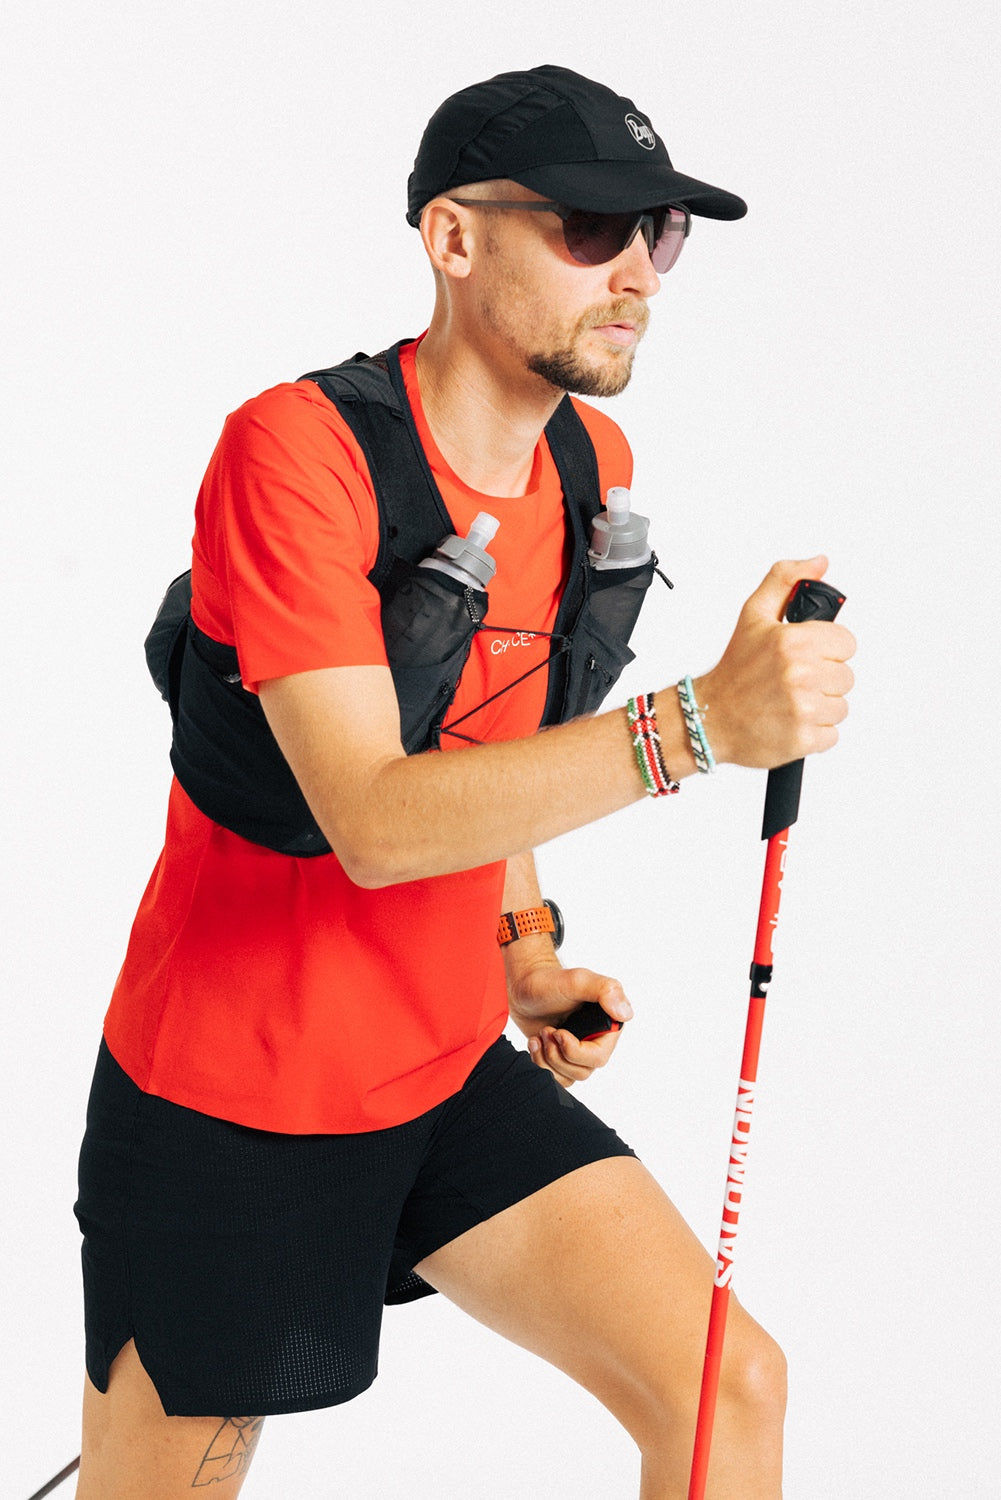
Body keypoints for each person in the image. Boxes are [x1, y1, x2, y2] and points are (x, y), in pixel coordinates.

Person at [73, 64, 855, 1499]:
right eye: (585, 229)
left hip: (433, 1072)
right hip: (235, 1093)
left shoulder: (585, 461)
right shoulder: (295, 453)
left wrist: (527, 954)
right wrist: (700, 727)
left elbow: (492, 756)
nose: (634, 274)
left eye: (659, 236)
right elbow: (372, 817)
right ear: (451, 237)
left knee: (728, 1390)